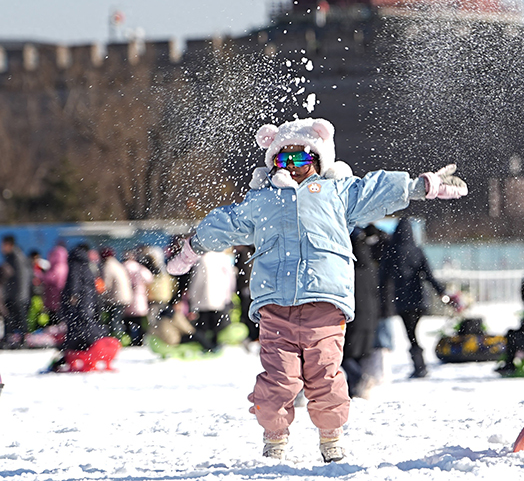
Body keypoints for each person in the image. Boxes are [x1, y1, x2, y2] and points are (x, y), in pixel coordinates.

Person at [163, 117, 466, 462]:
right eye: (283, 159)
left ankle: (330, 435)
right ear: (272, 162)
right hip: (275, 307)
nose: (292, 167)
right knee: (278, 378)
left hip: (324, 304)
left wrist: (421, 185)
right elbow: (226, 223)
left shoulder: (337, 193)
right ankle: (275, 436)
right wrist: (192, 249)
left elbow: (374, 190)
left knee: (325, 375)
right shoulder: (263, 201)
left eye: (301, 158)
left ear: (319, 160)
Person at [382, 221, 454, 380]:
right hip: (419, 298)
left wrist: (382, 299)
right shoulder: (417, 251)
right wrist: (442, 293)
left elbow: (383, 278)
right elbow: (429, 275)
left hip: (402, 300)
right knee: (414, 332)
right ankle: (420, 365)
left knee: (411, 334)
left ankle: (420, 366)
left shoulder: (392, 252)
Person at [342, 226, 383, 398]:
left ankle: (359, 379)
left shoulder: (348, 267)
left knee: (344, 355)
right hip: (370, 317)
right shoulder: (371, 267)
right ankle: (353, 390)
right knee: (358, 355)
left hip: (355, 316)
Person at [187, 249, 236, 353]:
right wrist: (228, 295)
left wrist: (193, 297)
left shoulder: (203, 258)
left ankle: (207, 347)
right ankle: (215, 345)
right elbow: (230, 279)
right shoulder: (224, 258)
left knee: (204, 325)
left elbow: (198, 280)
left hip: (205, 297)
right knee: (216, 325)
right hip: (220, 297)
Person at [121, 249, 155, 347]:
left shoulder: (122, 267)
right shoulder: (139, 268)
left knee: (127, 321)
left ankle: (128, 339)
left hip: (127, 296)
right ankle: (139, 340)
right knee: (139, 322)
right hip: (139, 296)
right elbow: (149, 278)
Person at [2, 235, 30, 349]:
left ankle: (22, 340)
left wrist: (16, 295)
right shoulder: (12, 257)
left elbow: (22, 277)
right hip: (14, 294)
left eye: (4, 245)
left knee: (18, 319)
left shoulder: (16, 257)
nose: (2, 247)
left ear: (10, 245)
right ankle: (11, 339)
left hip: (17, 295)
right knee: (11, 318)